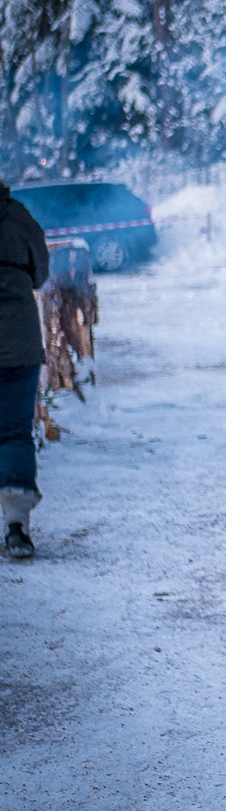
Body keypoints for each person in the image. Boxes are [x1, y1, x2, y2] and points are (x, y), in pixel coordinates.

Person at [0, 178, 50, 559]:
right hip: (19, 344)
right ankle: (17, 527)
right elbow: (40, 273)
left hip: (18, 344)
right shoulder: (17, 217)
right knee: (15, 431)